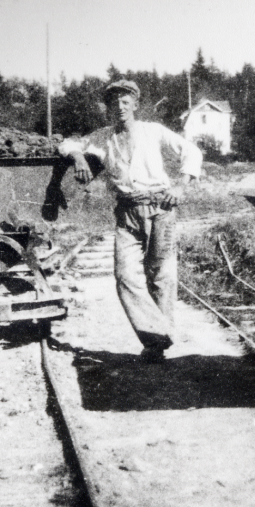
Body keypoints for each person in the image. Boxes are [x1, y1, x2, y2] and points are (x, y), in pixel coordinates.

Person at [59, 80, 203, 363]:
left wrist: (181, 187)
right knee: (125, 276)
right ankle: (159, 333)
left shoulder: (153, 131)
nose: (120, 107)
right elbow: (68, 143)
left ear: (135, 105)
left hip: (161, 208)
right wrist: (78, 157)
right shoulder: (103, 137)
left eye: (126, 102)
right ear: (108, 108)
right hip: (127, 212)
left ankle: (155, 348)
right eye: (114, 103)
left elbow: (192, 152)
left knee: (162, 276)